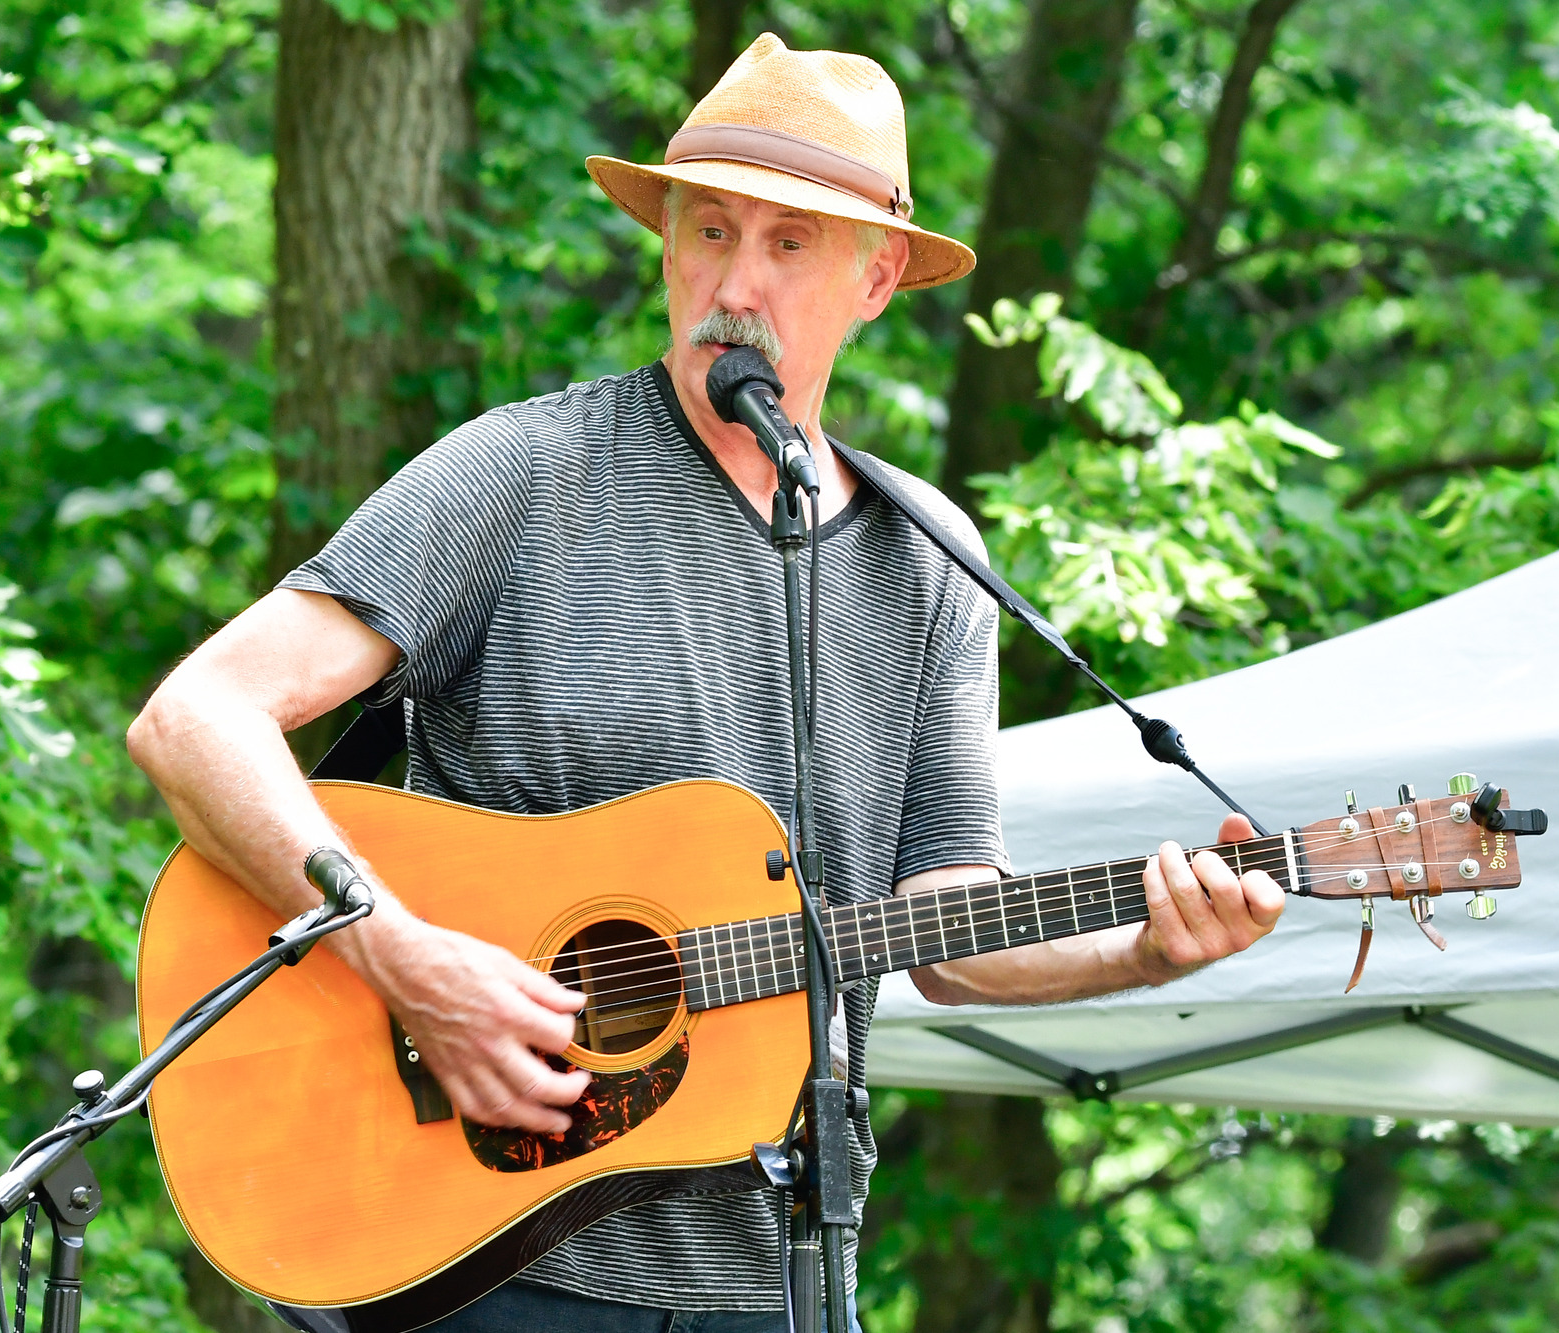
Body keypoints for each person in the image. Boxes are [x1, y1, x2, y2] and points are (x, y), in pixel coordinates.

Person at [126, 33, 1283, 1333]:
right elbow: (195, 717)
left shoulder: (929, 556)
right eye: (710, 231)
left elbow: (941, 924)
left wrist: (1141, 949)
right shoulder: (522, 474)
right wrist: (401, 956)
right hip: (492, 1265)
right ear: (667, 244)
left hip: (779, 1273)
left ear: (877, 277)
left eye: (790, 244)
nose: (735, 284)